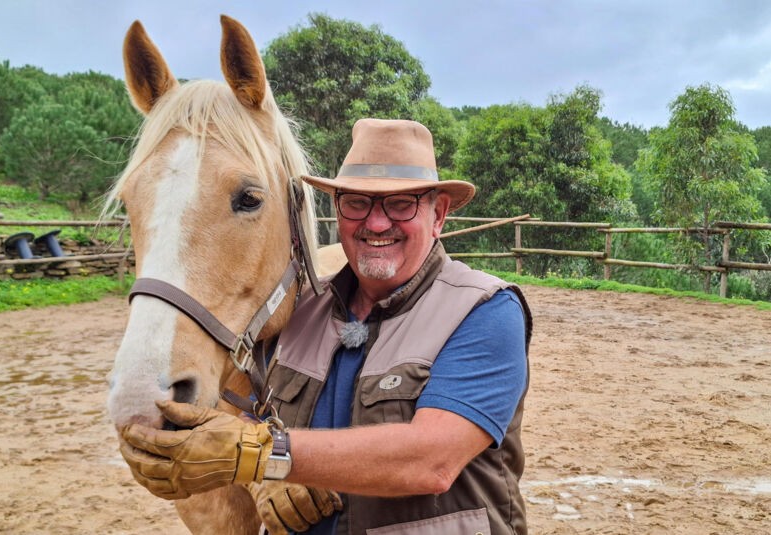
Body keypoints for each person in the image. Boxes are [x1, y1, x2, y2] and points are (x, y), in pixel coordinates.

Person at [120, 118, 532, 535]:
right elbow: (242, 407)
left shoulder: (484, 311)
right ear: (337, 211)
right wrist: (255, 470)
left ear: (438, 214)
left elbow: (431, 460)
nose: (375, 223)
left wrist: (264, 455)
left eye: (401, 203)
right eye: (357, 203)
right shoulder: (300, 312)